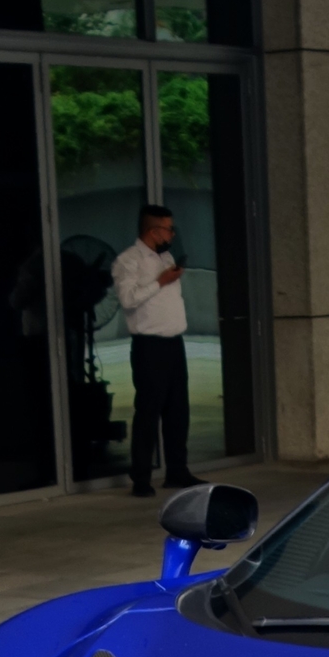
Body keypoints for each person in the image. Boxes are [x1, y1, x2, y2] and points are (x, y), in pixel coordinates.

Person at [113, 204, 202, 497]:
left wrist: (168, 276)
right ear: (153, 231)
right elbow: (128, 299)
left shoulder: (167, 257)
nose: (172, 234)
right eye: (168, 228)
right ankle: (141, 477)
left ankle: (177, 470)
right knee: (148, 412)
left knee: (178, 411)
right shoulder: (129, 260)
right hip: (149, 346)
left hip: (174, 343)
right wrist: (160, 281)